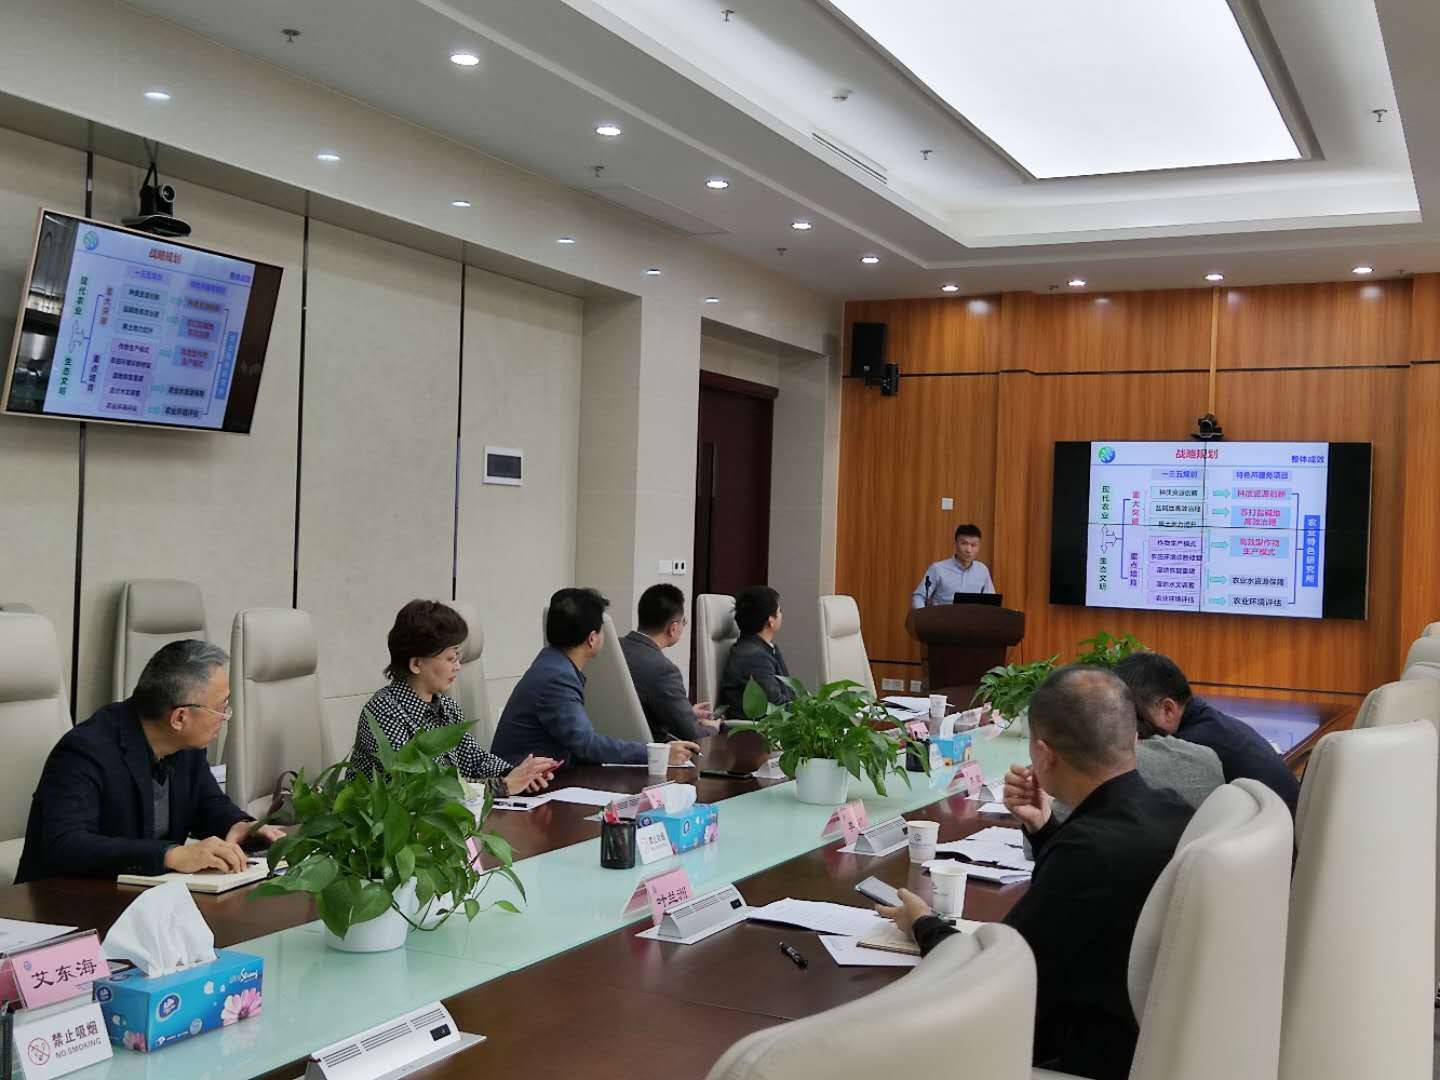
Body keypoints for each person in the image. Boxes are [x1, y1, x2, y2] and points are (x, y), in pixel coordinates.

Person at [877, 666, 1195, 1080]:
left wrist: (922, 923)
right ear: (1133, 737)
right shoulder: (1175, 810)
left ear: (1043, 754)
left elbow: (992, 975)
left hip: (1087, 1057)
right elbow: (1099, 889)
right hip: (1154, 1042)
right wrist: (1044, 828)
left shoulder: (1086, 850)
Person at [16, 640, 287, 883]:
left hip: (142, 899)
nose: (226, 716)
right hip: (64, 904)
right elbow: (66, 844)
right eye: (220, 707)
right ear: (180, 718)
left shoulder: (184, 744)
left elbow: (206, 804)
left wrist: (237, 825)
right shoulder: (86, 750)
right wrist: (170, 855)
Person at [349, 600, 557, 797]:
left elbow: (475, 761)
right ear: (416, 664)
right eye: (450, 658)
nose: (457, 666)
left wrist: (518, 774)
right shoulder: (383, 711)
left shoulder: (447, 707)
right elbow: (420, 787)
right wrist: (503, 786)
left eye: (458, 657)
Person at [492, 587, 700, 767]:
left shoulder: (551, 663)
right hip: (522, 787)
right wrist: (659, 754)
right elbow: (587, 745)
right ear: (592, 639)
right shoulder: (558, 678)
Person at [1114, 651, 1300, 814]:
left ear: (1168, 709)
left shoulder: (1190, 749)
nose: (1127, 727)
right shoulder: (1210, 723)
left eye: (1135, 718)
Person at [620, 584, 718, 741]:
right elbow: (691, 734)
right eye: (684, 622)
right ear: (673, 628)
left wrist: (686, 713)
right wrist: (713, 728)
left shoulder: (616, 647)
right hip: (648, 751)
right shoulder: (664, 670)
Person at [718, 586, 795, 719]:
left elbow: (789, 694)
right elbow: (776, 706)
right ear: (771, 621)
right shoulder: (754, 658)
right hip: (759, 728)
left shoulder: (762, 649)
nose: (782, 614)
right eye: (779, 610)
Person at [911, 523, 995, 607]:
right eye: (964, 543)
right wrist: (924, 614)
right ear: (955, 544)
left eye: (973, 545)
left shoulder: (982, 570)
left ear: (979, 546)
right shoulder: (938, 569)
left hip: (973, 615)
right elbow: (919, 596)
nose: (968, 550)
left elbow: (990, 601)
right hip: (943, 614)